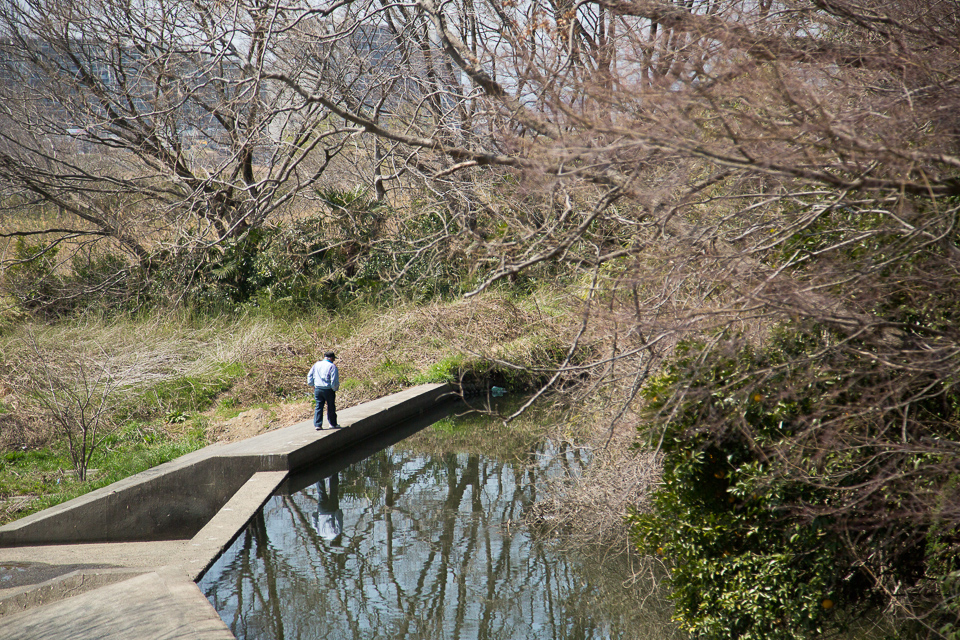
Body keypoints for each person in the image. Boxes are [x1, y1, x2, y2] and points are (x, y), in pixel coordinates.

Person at [308, 351, 340, 430]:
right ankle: (332, 424)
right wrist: (334, 388)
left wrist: (312, 384)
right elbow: (334, 380)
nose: (334, 360)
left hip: (318, 389)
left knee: (319, 406)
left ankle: (318, 425)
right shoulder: (332, 366)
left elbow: (310, 375)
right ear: (331, 358)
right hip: (328, 389)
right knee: (331, 406)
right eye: (333, 359)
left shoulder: (317, 364)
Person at [312, 473, 344, 541]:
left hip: (332, 510)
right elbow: (314, 523)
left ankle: (334, 472)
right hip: (322, 511)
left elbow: (338, 519)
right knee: (321, 493)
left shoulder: (337, 533)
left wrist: (338, 511)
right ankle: (318, 474)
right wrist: (316, 513)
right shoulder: (320, 534)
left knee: (333, 492)